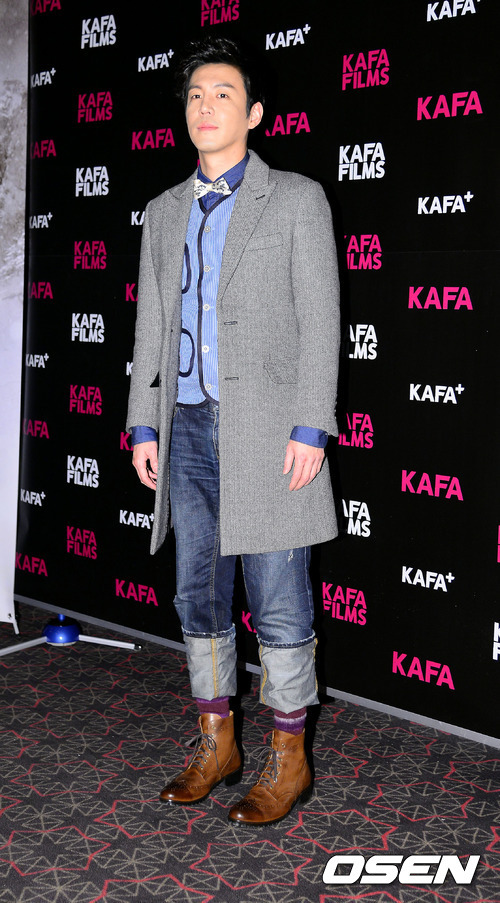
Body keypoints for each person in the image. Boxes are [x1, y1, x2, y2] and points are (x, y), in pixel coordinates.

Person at [126, 36, 340, 826]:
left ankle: (290, 756)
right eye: (194, 95)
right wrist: (142, 422)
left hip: (270, 430)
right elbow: (151, 327)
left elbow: (322, 320)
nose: (205, 106)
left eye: (222, 94)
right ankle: (217, 743)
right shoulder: (162, 212)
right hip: (184, 428)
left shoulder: (297, 199)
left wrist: (312, 424)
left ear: (253, 113)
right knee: (198, 591)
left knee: (279, 598)